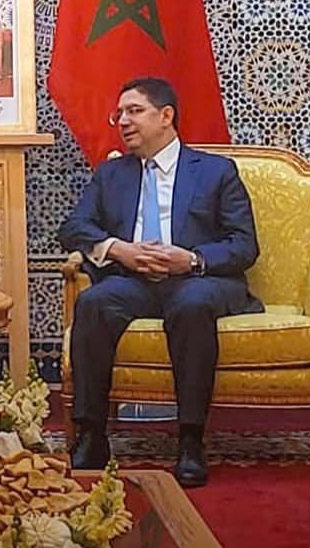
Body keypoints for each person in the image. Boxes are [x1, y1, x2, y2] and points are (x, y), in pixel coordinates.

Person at [59, 77, 261, 487]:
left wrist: (192, 259)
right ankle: (92, 435)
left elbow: (244, 245)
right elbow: (73, 228)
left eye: (134, 111)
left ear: (166, 116)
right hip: (133, 281)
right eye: (119, 114)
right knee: (94, 303)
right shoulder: (111, 173)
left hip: (196, 279)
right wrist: (119, 249)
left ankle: (190, 441)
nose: (123, 121)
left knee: (191, 306)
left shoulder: (215, 172)